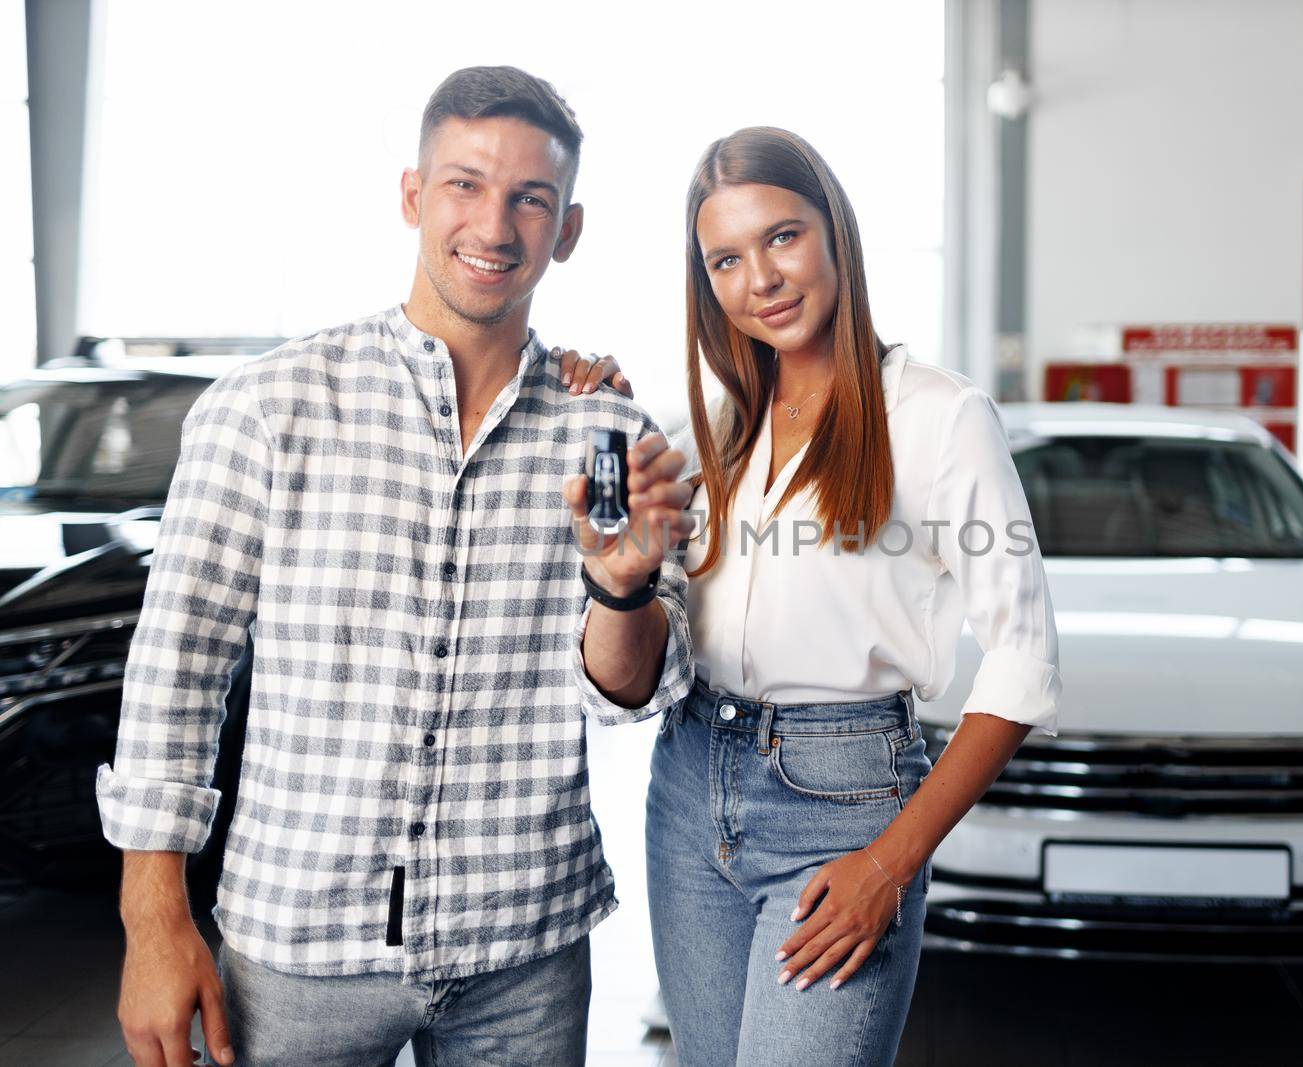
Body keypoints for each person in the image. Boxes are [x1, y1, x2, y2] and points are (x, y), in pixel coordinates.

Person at [97, 66, 692, 1067]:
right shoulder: (268, 406)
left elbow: (629, 696)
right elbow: (176, 672)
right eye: (464, 184)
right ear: (413, 196)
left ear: (569, 228)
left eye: (529, 198)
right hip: (297, 947)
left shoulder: (612, 434)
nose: (494, 226)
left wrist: (619, 586)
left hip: (526, 950)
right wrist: (154, 924)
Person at [638, 127, 1061, 1065]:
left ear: (835, 232)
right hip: (687, 788)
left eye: (783, 237)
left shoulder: (940, 418)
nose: (763, 279)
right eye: (727, 259)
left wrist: (889, 862)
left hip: (842, 798)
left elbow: (1025, 660)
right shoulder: (715, 433)